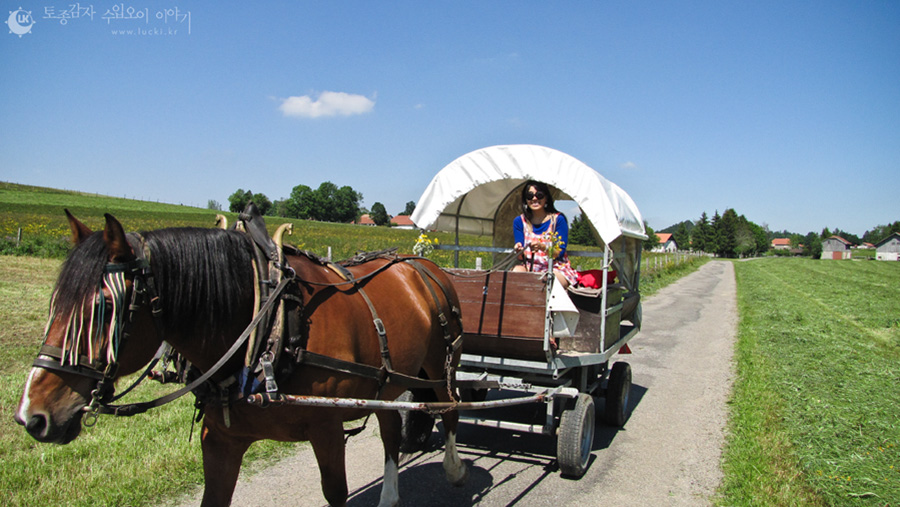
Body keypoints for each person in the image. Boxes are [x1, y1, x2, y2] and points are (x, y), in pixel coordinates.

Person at [512, 180, 579, 289]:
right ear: (525, 200)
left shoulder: (558, 220)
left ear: (546, 198)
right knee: (515, 273)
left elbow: (559, 252)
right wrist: (519, 250)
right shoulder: (520, 221)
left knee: (547, 281)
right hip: (530, 266)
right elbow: (521, 257)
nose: (534, 199)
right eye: (530, 196)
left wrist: (543, 247)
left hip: (556, 267)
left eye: (539, 195)